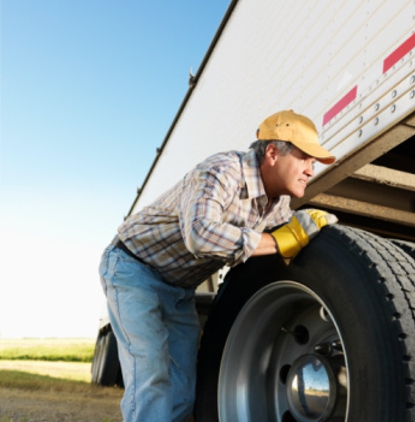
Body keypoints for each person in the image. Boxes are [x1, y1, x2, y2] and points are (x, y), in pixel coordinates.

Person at [98, 109, 337, 422]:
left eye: (313, 162)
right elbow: (199, 234)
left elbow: (287, 240)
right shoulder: (223, 171)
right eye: (305, 158)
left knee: (184, 385)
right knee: (152, 373)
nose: (310, 170)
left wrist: (316, 233)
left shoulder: (277, 204)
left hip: (179, 288)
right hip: (133, 269)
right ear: (273, 153)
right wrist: (280, 241)